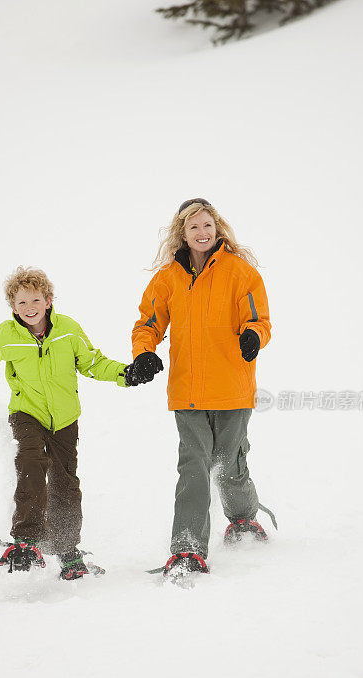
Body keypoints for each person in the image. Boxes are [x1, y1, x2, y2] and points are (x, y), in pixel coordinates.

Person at [0, 266, 134, 580]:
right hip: (27, 413)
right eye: (22, 303)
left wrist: (125, 374)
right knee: (31, 462)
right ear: (13, 306)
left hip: (65, 419)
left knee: (66, 484)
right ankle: (27, 537)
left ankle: (67, 550)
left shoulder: (68, 330)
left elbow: (92, 362)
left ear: (49, 300)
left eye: (36, 300)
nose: (29, 308)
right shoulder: (7, 335)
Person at [131, 199, 272, 577]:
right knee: (194, 467)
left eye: (207, 225)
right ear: (182, 233)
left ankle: (243, 518)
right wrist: (144, 352)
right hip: (188, 392)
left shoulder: (240, 272)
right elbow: (148, 323)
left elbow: (259, 318)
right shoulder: (168, 277)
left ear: (217, 227)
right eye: (194, 227)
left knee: (229, 465)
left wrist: (253, 337)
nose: (202, 232)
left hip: (232, 388)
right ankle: (188, 549)